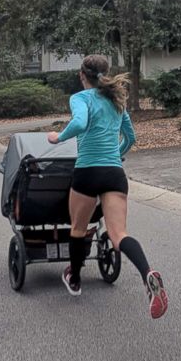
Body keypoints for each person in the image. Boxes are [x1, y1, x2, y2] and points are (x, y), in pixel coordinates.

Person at [48, 54, 168, 319]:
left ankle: (75, 278)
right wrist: (118, 153)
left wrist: (59, 137)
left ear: (82, 75)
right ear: (106, 73)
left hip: (88, 171)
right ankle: (147, 272)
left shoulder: (80, 98)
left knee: (78, 229)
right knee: (119, 234)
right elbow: (131, 137)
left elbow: (79, 123)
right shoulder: (117, 101)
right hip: (114, 172)